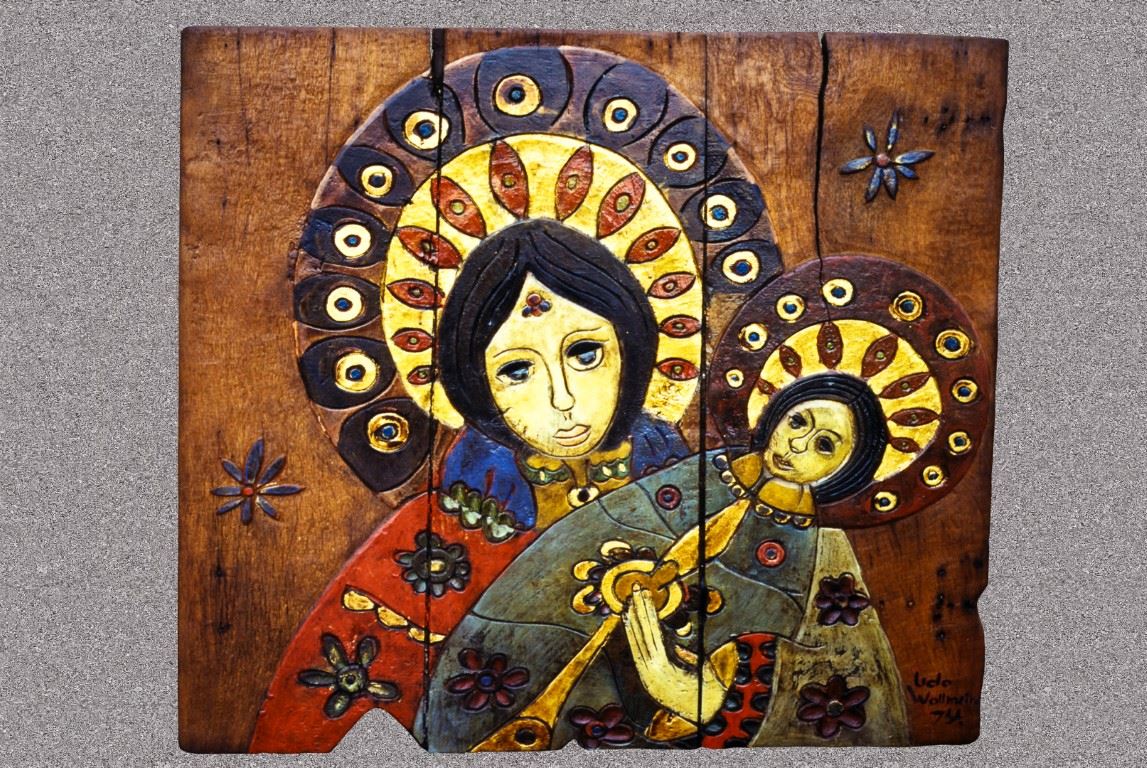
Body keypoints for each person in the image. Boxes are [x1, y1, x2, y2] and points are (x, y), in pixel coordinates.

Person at [417, 372, 910, 750]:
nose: (797, 445)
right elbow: (590, 538)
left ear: (847, 468)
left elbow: (770, 638)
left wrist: (689, 691)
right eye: (798, 422)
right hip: (544, 650)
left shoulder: (806, 546)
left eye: (825, 445)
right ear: (777, 414)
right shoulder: (709, 470)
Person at [436, 219, 690, 536]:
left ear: (631, 351)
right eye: (517, 371)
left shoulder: (661, 450)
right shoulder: (477, 479)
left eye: (586, 355)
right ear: (476, 384)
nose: (563, 399)